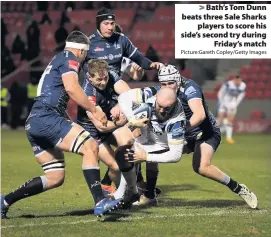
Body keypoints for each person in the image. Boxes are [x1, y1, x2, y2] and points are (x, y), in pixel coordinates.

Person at [1, 31, 120, 219]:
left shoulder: (58, 59)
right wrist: (94, 109)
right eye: (86, 54)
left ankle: (5, 201)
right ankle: (100, 200)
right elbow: (72, 88)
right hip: (47, 117)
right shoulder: (69, 58)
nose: (85, 59)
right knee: (90, 146)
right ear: (81, 51)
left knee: (55, 176)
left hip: (35, 121)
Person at [157, 64, 258, 209]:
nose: (167, 87)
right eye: (163, 84)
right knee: (153, 149)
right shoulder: (163, 92)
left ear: (178, 80)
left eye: (171, 83)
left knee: (201, 167)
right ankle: (147, 191)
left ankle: (239, 189)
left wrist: (179, 129)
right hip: (187, 134)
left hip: (206, 132)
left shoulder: (190, 88)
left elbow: (199, 115)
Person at [77, 59, 131, 194]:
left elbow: (129, 94)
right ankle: (120, 193)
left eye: (105, 78)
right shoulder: (87, 94)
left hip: (110, 124)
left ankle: (124, 189)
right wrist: (120, 122)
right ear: (89, 77)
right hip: (93, 133)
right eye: (99, 79)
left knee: (132, 146)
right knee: (116, 166)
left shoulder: (110, 74)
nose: (104, 82)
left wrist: (119, 105)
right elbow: (100, 126)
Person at [84, 7, 162, 79]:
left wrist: (151, 64)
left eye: (112, 23)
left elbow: (138, 58)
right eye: (106, 24)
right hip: (94, 88)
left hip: (116, 86)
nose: (110, 27)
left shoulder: (122, 39)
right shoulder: (88, 42)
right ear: (98, 24)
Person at [217, 75, 246, 144]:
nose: (238, 82)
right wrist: (221, 103)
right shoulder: (228, 84)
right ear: (234, 80)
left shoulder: (243, 85)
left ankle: (229, 138)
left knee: (230, 120)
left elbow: (241, 95)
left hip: (232, 102)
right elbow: (220, 93)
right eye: (237, 81)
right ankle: (214, 136)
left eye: (239, 81)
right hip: (224, 101)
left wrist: (236, 104)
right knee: (220, 120)